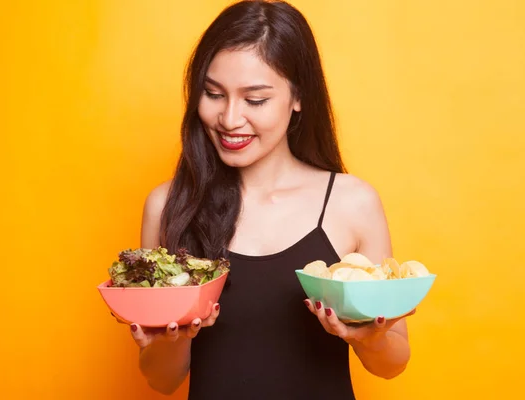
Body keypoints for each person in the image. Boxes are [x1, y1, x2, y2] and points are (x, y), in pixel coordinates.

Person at [126, 1, 414, 398]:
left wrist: (370, 338)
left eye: (255, 100)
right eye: (213, 94)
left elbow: (392, 364)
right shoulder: (168, 205)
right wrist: (173, 339)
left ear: (298, 97)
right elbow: (162, 380)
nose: (229, 118)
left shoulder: (351, 203)